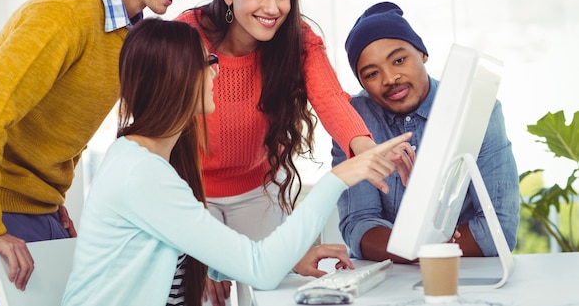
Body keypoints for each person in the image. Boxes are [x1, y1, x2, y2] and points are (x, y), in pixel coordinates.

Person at [0, 0, 214, 306]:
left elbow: (65, 123)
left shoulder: (129, 35)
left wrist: (52, 199)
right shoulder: (65, 15)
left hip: (38, 207)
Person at [61, 18, 413, 306]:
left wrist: (290, 259)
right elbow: (259, 268)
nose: (217, 73)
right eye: (207, 62)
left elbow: (178, 248)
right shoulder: (141, 173)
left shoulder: (143, 159)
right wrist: (338, 178)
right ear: (176, 79)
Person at [175, 0, 415, 304]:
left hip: (257, 192)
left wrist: (367, 151)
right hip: (191, 193)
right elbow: (160, 127)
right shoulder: (185, 36)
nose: (273, 7)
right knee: (201, 297)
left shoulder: (298, 39)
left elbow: (330, 98)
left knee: (267, 288)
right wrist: (207, 259)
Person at [333, 1, 520, 264]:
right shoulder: (355, 120)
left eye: (399, 60)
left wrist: (418, 250)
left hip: (461, 272)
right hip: (386, 279)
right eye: (372, 73)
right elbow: (359, 224)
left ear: (422, 53)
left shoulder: (476, 108)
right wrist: (423, 251)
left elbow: (499, 228)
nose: (390, 78)